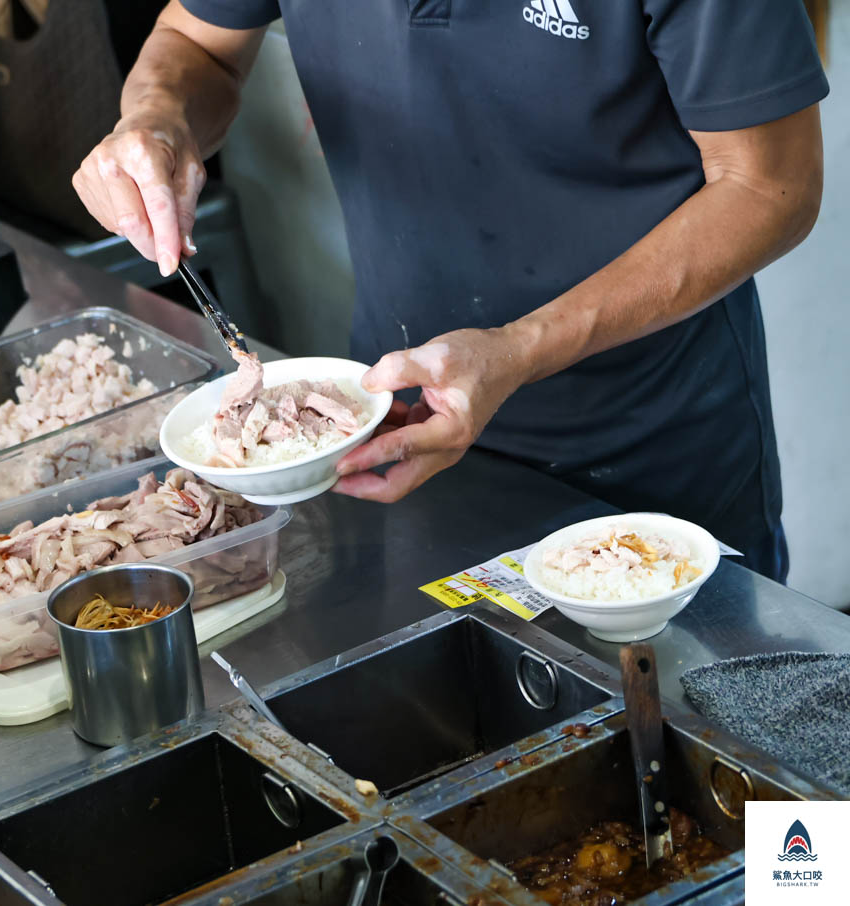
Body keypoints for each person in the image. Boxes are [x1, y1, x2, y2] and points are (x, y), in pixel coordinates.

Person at [71, 0, 828, 582]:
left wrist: (519, 348)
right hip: (395, 429)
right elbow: (199, 43)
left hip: (648, 453)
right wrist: (156, 120)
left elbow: (770, 187)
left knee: (709, 763)